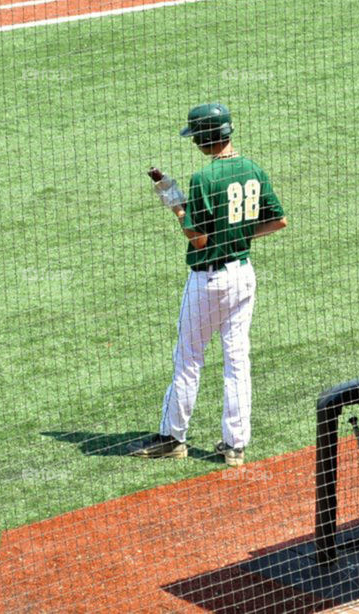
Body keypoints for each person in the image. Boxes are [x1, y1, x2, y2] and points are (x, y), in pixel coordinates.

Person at [128, 103, 287, 467]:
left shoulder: (204, 179)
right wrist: (238, 238)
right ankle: (235, 445)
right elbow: (278, 221)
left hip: (209, 281)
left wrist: (176, 206)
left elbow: (197, 239)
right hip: (243, 274)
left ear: (203, 138)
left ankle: (172, 437)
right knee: (237, 359)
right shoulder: (253, 169)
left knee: (188, 358)